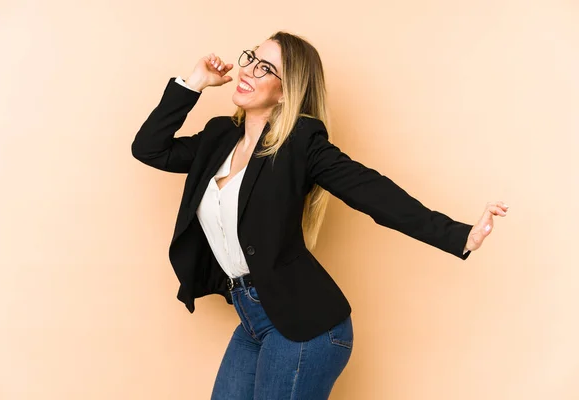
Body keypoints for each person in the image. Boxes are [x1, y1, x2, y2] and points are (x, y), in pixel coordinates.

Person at [131, 31, 508, 400]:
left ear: (286, 91)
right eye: (251, 59)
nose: (248, 70)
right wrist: (193, 83)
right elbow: (149, 149)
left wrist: (461, 235)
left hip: (305, 327)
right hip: (253, 321)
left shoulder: (301, 143)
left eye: (266, 69)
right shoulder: (218, 137)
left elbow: (372, 191)